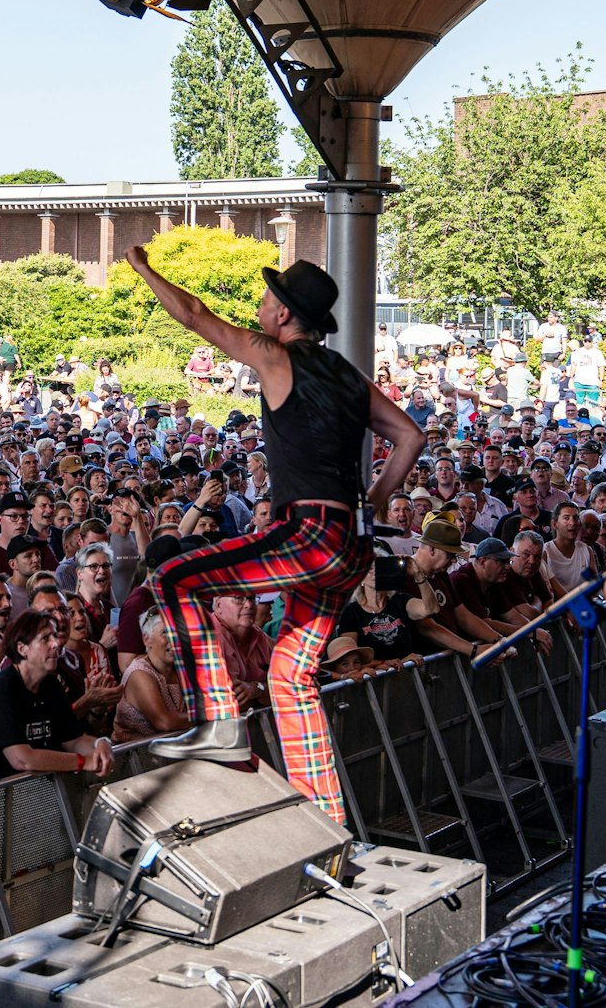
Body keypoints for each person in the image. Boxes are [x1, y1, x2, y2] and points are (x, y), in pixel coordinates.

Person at [125, 245, 425, 825]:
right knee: (289, 676)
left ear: (284, 314)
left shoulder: (273, 354)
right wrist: (373, 501)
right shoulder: (348, 374)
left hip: (309, 533)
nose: (260, 307)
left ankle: (220, 725)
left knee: (172, 578)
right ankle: (327, 820)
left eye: (266, 299)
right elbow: (411, 437)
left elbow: (195, 315)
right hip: (351, 544)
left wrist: (145, 270)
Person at [0, 611, 116, 789]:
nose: (56, 643)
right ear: (22, 649)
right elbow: (22, 759)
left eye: (55, 636)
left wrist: (100, 744)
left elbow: (74, 740)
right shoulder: (2, 690)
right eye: (45, 638)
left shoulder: (50, 685)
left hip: (16, 790)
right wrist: (83, 761)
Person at [112, 609, 191, 744]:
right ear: (146, 639)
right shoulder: (139, 673)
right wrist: (206, 715)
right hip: (136, 754)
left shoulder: (181, 667)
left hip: (170, 749)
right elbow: (164, 722)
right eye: (165, 632)